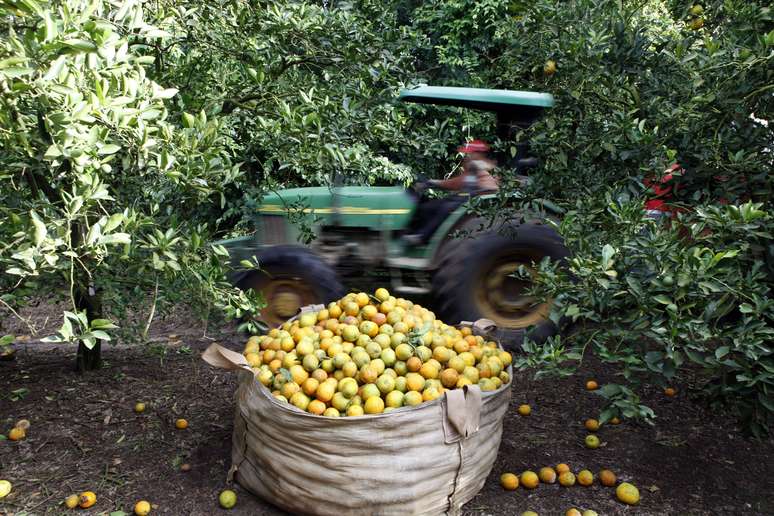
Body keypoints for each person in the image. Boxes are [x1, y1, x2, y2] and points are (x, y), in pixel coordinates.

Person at [403, 140, 499, 245]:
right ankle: (417, 236)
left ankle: (422, 237)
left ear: (478, 154)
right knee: (428, 206)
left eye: (470, 153)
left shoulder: (481, 169)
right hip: (463, 199)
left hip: (472, 203)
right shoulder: (472, 169)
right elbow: (456, 183)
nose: (467, 156)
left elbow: (488, 187)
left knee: (446, 208)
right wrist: (432, 182)